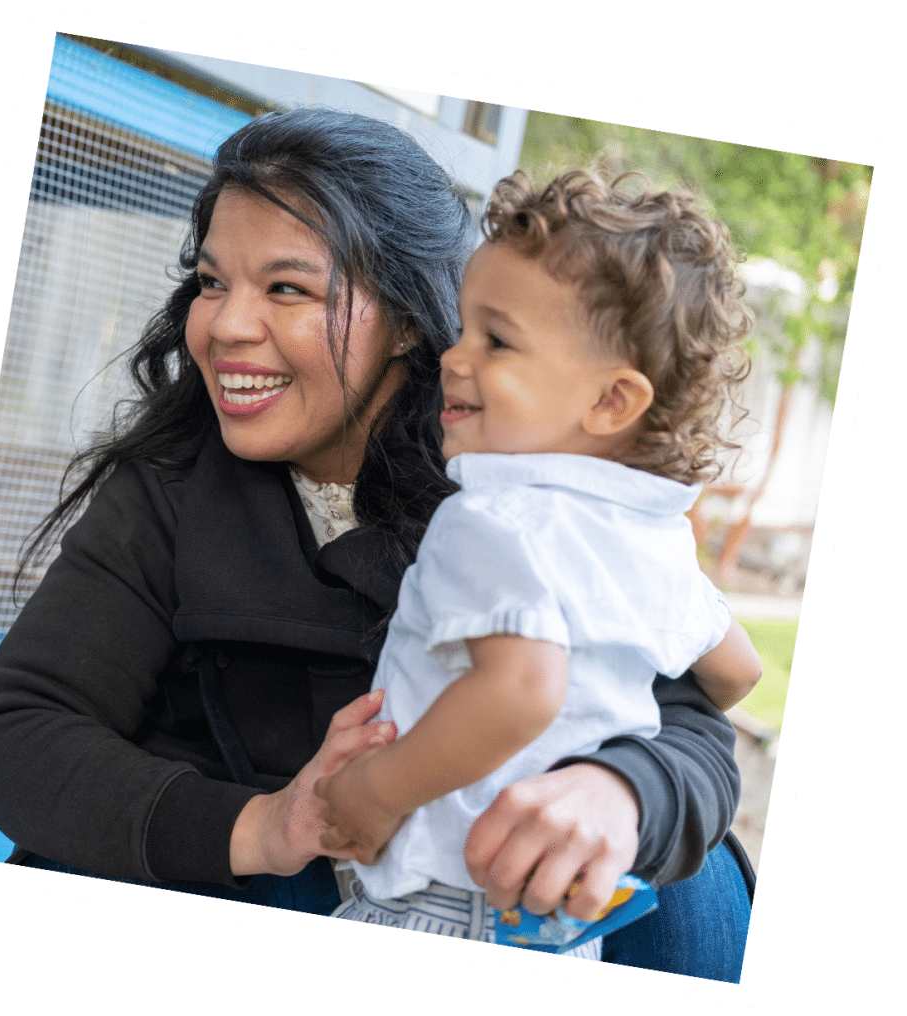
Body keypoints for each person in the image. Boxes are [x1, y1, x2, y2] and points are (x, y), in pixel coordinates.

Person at [0, 108, 752, 980]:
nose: (224, 326)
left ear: (409, 320)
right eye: (211, 282)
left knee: (689, 878)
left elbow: (696, 719)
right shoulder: (169, 488)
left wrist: (620, 793)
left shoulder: (506, 481)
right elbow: (19, 732)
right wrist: (260, 826)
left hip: (484, 886)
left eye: (288, 289)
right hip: (255, 883)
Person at [317, 169, 761, 964]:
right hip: (556, 925)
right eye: (464, 328)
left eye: (497, 340)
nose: (454, 358)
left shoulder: (487, 516)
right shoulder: (653, 535)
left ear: (612, 402)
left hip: (431, 908)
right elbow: (736, 671)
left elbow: (521, 688)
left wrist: (371, 793)